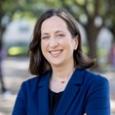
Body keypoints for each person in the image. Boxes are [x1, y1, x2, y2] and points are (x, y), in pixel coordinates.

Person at [12, 8, 110, 115]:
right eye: (45, 37)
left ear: (75, 42)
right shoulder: (28, 89)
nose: (52, 43)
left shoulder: (95, 85)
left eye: (60, 35)